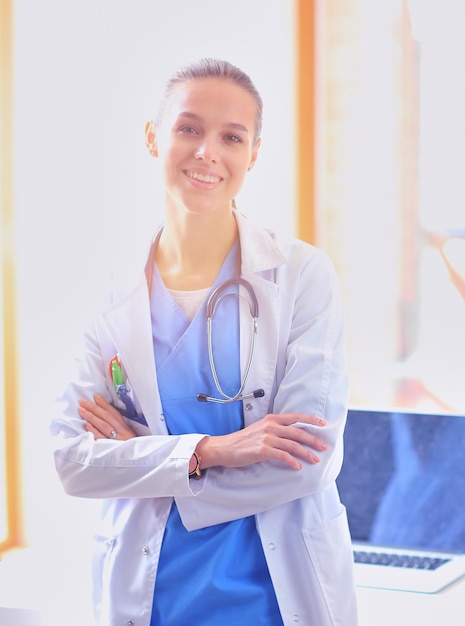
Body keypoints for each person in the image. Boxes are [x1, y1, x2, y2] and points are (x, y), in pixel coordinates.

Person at [51, 58, 357, 626]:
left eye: (232, 137)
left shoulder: (301, 276)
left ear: (253, 154)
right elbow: (72, 461)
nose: (207, 152)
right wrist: (208, 451)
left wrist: (139, 456)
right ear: (153, 137)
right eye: (188, 128)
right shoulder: (110, 292)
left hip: (273, 594)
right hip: (152, 592)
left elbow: (305, 462)